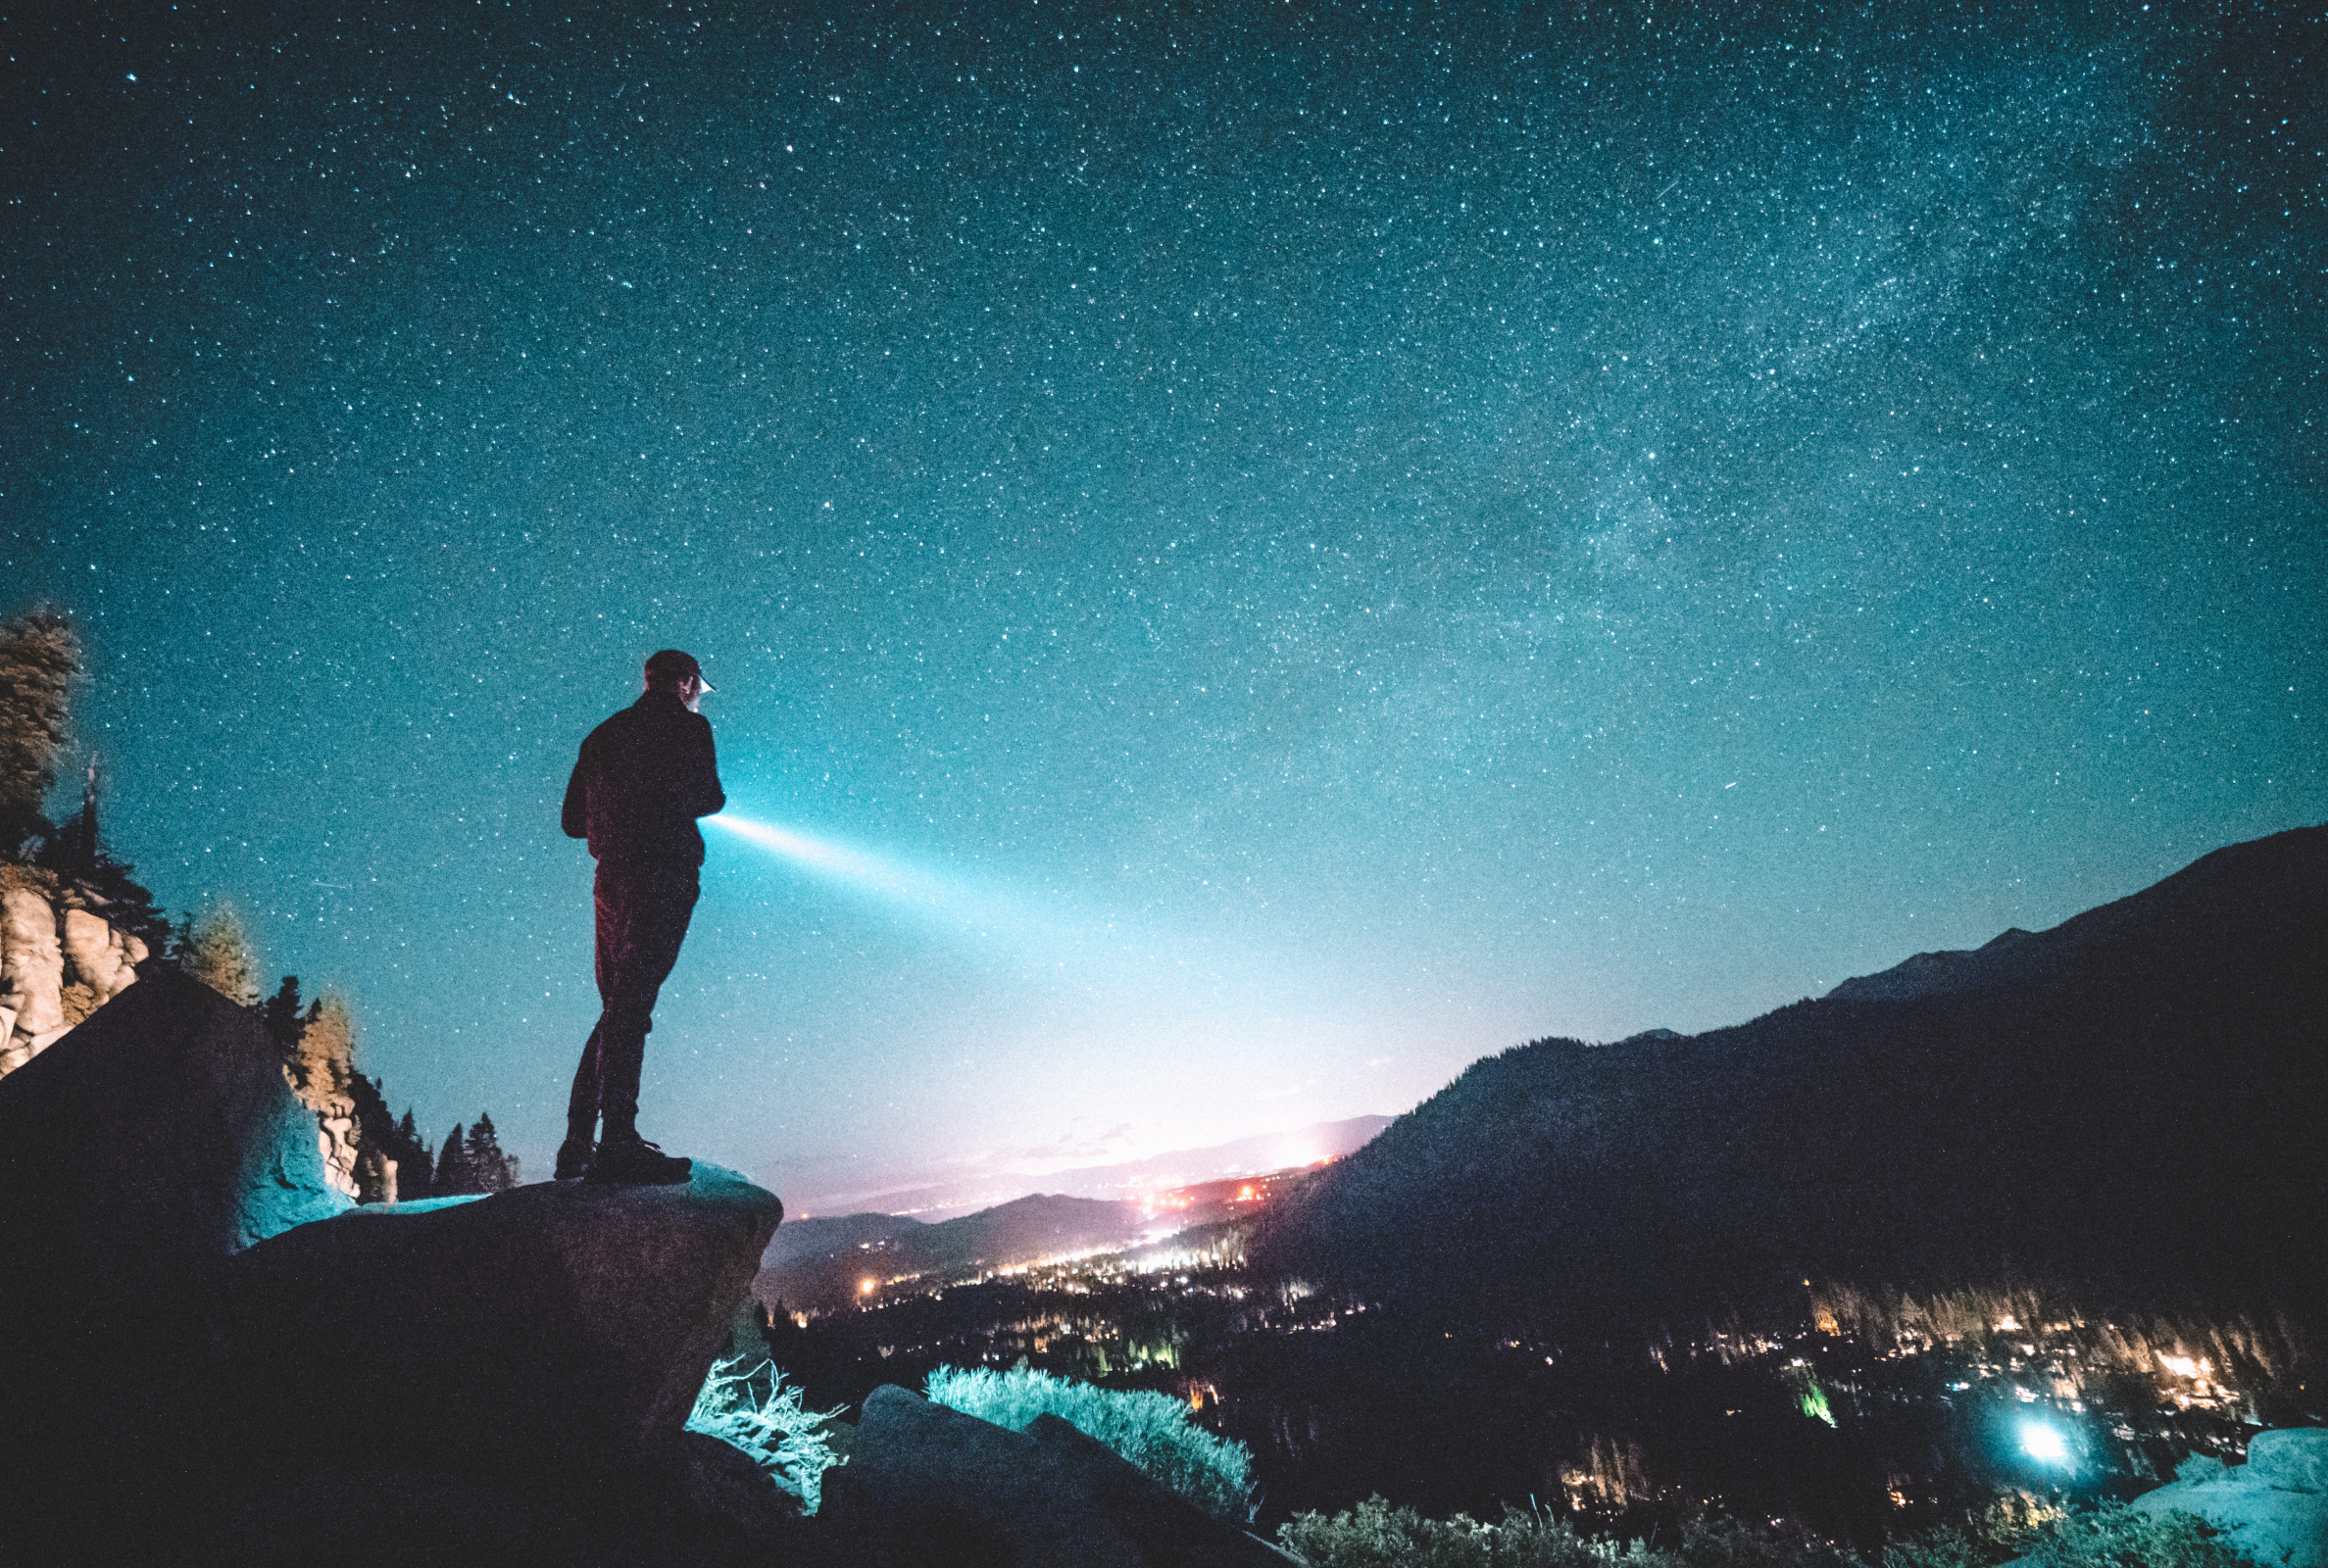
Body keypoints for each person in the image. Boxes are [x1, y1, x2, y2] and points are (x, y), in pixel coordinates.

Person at [558, 649, 724, 1184]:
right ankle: (619, 1143)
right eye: (697, 687)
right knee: (632, 1004)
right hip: (665, 871)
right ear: (686, 683)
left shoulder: (601, 736)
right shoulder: (688, 729)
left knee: (617, 1006)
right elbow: (709, 797)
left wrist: (618, 815)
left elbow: (571, 822)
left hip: (612, 879)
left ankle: (579, 1144)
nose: (698, 696)